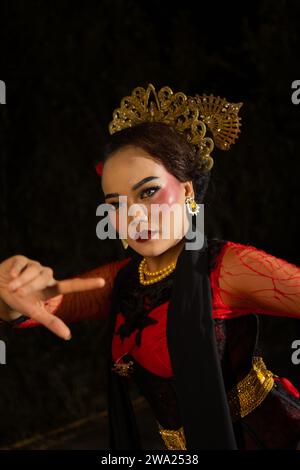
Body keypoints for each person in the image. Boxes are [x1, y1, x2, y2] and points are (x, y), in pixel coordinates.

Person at [0, 84, 300, 450]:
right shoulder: (121, 280)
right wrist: (11, 294)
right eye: (115, 203)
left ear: (187, 192)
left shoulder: (227, 268)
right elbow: (36, 307)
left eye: (148, 192)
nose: (133, 215)